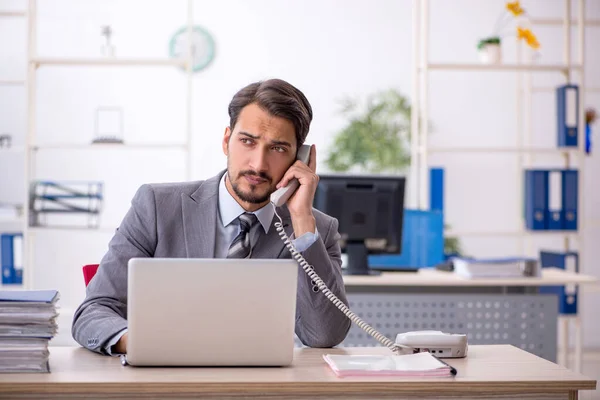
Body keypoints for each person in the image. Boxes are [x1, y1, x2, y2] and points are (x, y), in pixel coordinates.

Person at [72, 78, 352, 355]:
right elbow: (93, 312)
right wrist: (141, 343)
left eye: (278, 148)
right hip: (166, 381)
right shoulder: (156, 207)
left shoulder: (316, 231)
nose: (258, 163)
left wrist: (302, 221)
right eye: (247, 141)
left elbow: (323, 335)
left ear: (299, 159)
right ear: (227, 140)